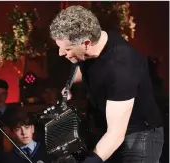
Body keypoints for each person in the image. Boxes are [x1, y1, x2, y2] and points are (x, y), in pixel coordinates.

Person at [49, 5, 163, 163]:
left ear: (87, 43)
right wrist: (69, 86)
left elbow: (116, 134)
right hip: (106, 128)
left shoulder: (121, 65)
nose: (61, 53)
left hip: (138, 134)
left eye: (67, 49)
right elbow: (81, 65)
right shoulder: (95, 43)